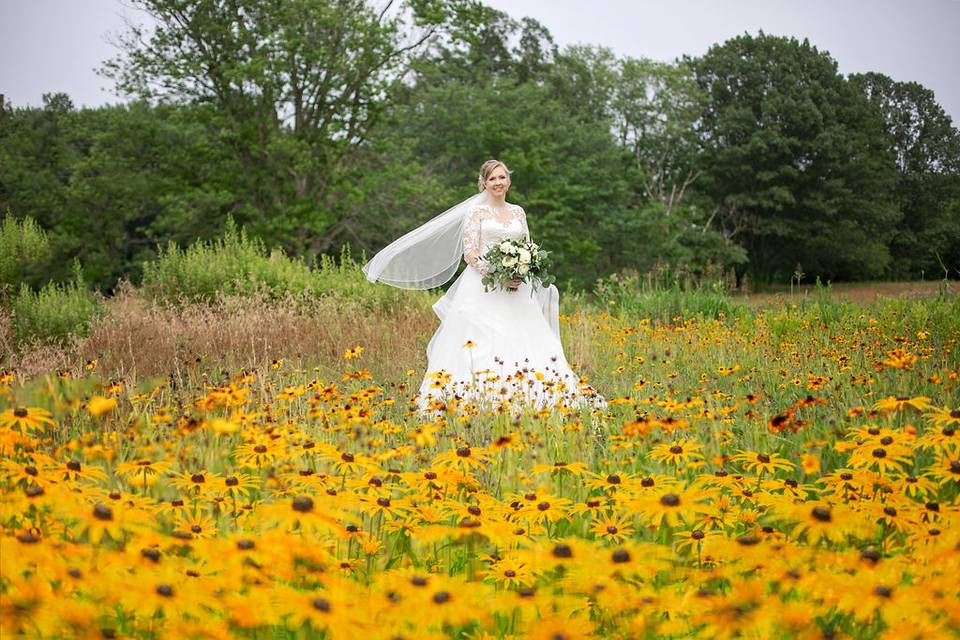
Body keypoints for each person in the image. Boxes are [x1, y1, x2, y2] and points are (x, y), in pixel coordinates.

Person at [363, 159, 604, 412]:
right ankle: (477, 399)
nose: (498, 182)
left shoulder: (518, 212)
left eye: (502, 177)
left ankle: (529, 395)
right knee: (480, 340)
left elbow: (527, 247)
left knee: (524, 336)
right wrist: (498, 274)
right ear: (484, 183)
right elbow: (470, 253)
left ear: (508, 180)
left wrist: (522, 270)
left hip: (517, 287)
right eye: (492, 179)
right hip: (484, 286)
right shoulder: (476, 213)